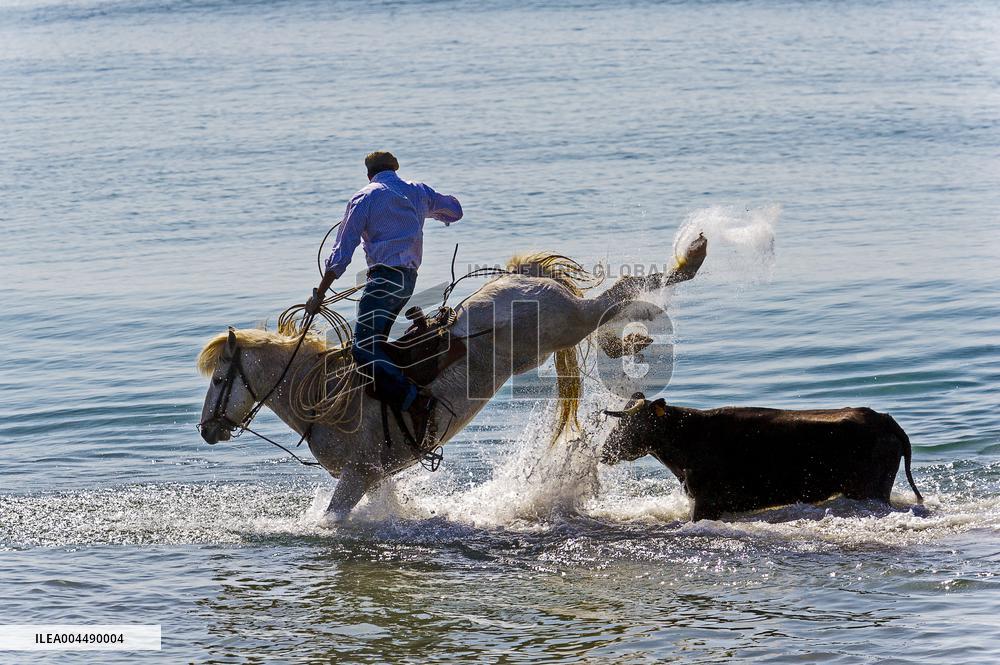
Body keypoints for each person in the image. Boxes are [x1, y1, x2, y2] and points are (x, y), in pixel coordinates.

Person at [305, 151, 463, 442]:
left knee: (362, 349)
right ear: (396, 168)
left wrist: (320, 294)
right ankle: (387, 420)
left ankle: (415, 400)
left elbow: (341, 254)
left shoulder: (364, 198)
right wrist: (427, 210)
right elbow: (455, 210)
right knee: (378, 345)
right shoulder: (417, 191)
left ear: (369, 174)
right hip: (407, 281)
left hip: (382, 281)